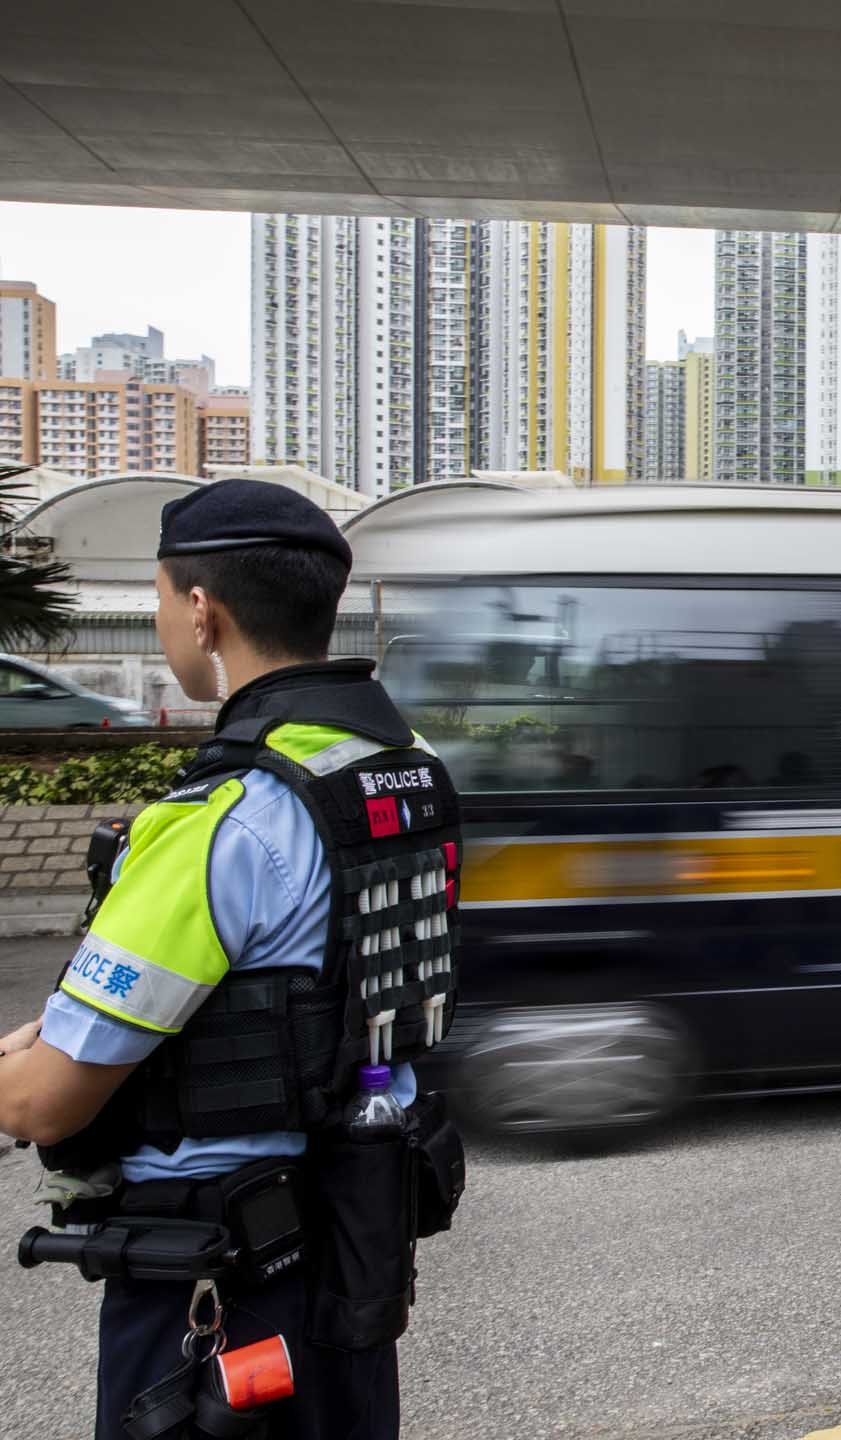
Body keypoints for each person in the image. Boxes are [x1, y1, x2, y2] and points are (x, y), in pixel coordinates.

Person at [0, 478, 464, 1440]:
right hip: (350, 1260)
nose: (166, 620)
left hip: (215, 1294)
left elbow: (46, 1100)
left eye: (162, 599)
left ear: (202, 611)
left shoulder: (219, 822)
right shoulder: (404, 769)